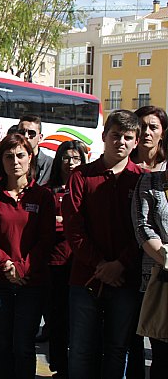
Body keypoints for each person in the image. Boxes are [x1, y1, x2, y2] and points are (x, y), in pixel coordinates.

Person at [63, 110, 143, 378]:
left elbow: (143, 230)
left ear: (136, 141)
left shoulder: (142, 180)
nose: (121, 141)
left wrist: (120, 264)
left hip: (125, 280)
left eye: (127, 137)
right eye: (115, 135)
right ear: (104, 137)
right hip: (86, 278)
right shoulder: (81, 177)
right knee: (82, 350)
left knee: (117, 350)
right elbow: (74, 229)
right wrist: (100, 264)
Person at [0, 132, 55, 378]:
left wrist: (22, 268)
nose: (15, 161)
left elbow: (46, 239)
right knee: (1, 344)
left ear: (30, 158)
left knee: (23, 346)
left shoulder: (42, 196)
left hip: (30, 282)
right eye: (9, 156)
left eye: (21, 155)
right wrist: (7, 264)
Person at [44, 140, 88, 378]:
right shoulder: (48, 192)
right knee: (57, 320)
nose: (71, 163)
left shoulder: (87, 188)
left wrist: (66, 223)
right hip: (55, 264)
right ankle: (59, 366)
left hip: (81, 263)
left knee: (79, 322)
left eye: (76, 158)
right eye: (66, 158)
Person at [132, 134, 168, 379]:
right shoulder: (150, 181)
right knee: (162, 356)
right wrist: (165, 255)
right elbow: (143, 226)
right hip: (161, 277)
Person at [18, 115, 53, 185]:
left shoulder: (50, 164)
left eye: (31, 133)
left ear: (40, 137)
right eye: (22, 132)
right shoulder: (11, 159)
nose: (26, 136)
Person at [131, 105, 168, 171]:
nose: (146, 132)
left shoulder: (165, 166)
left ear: (162, 133)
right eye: (142, 127)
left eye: (153, 127)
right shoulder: (124, 165)